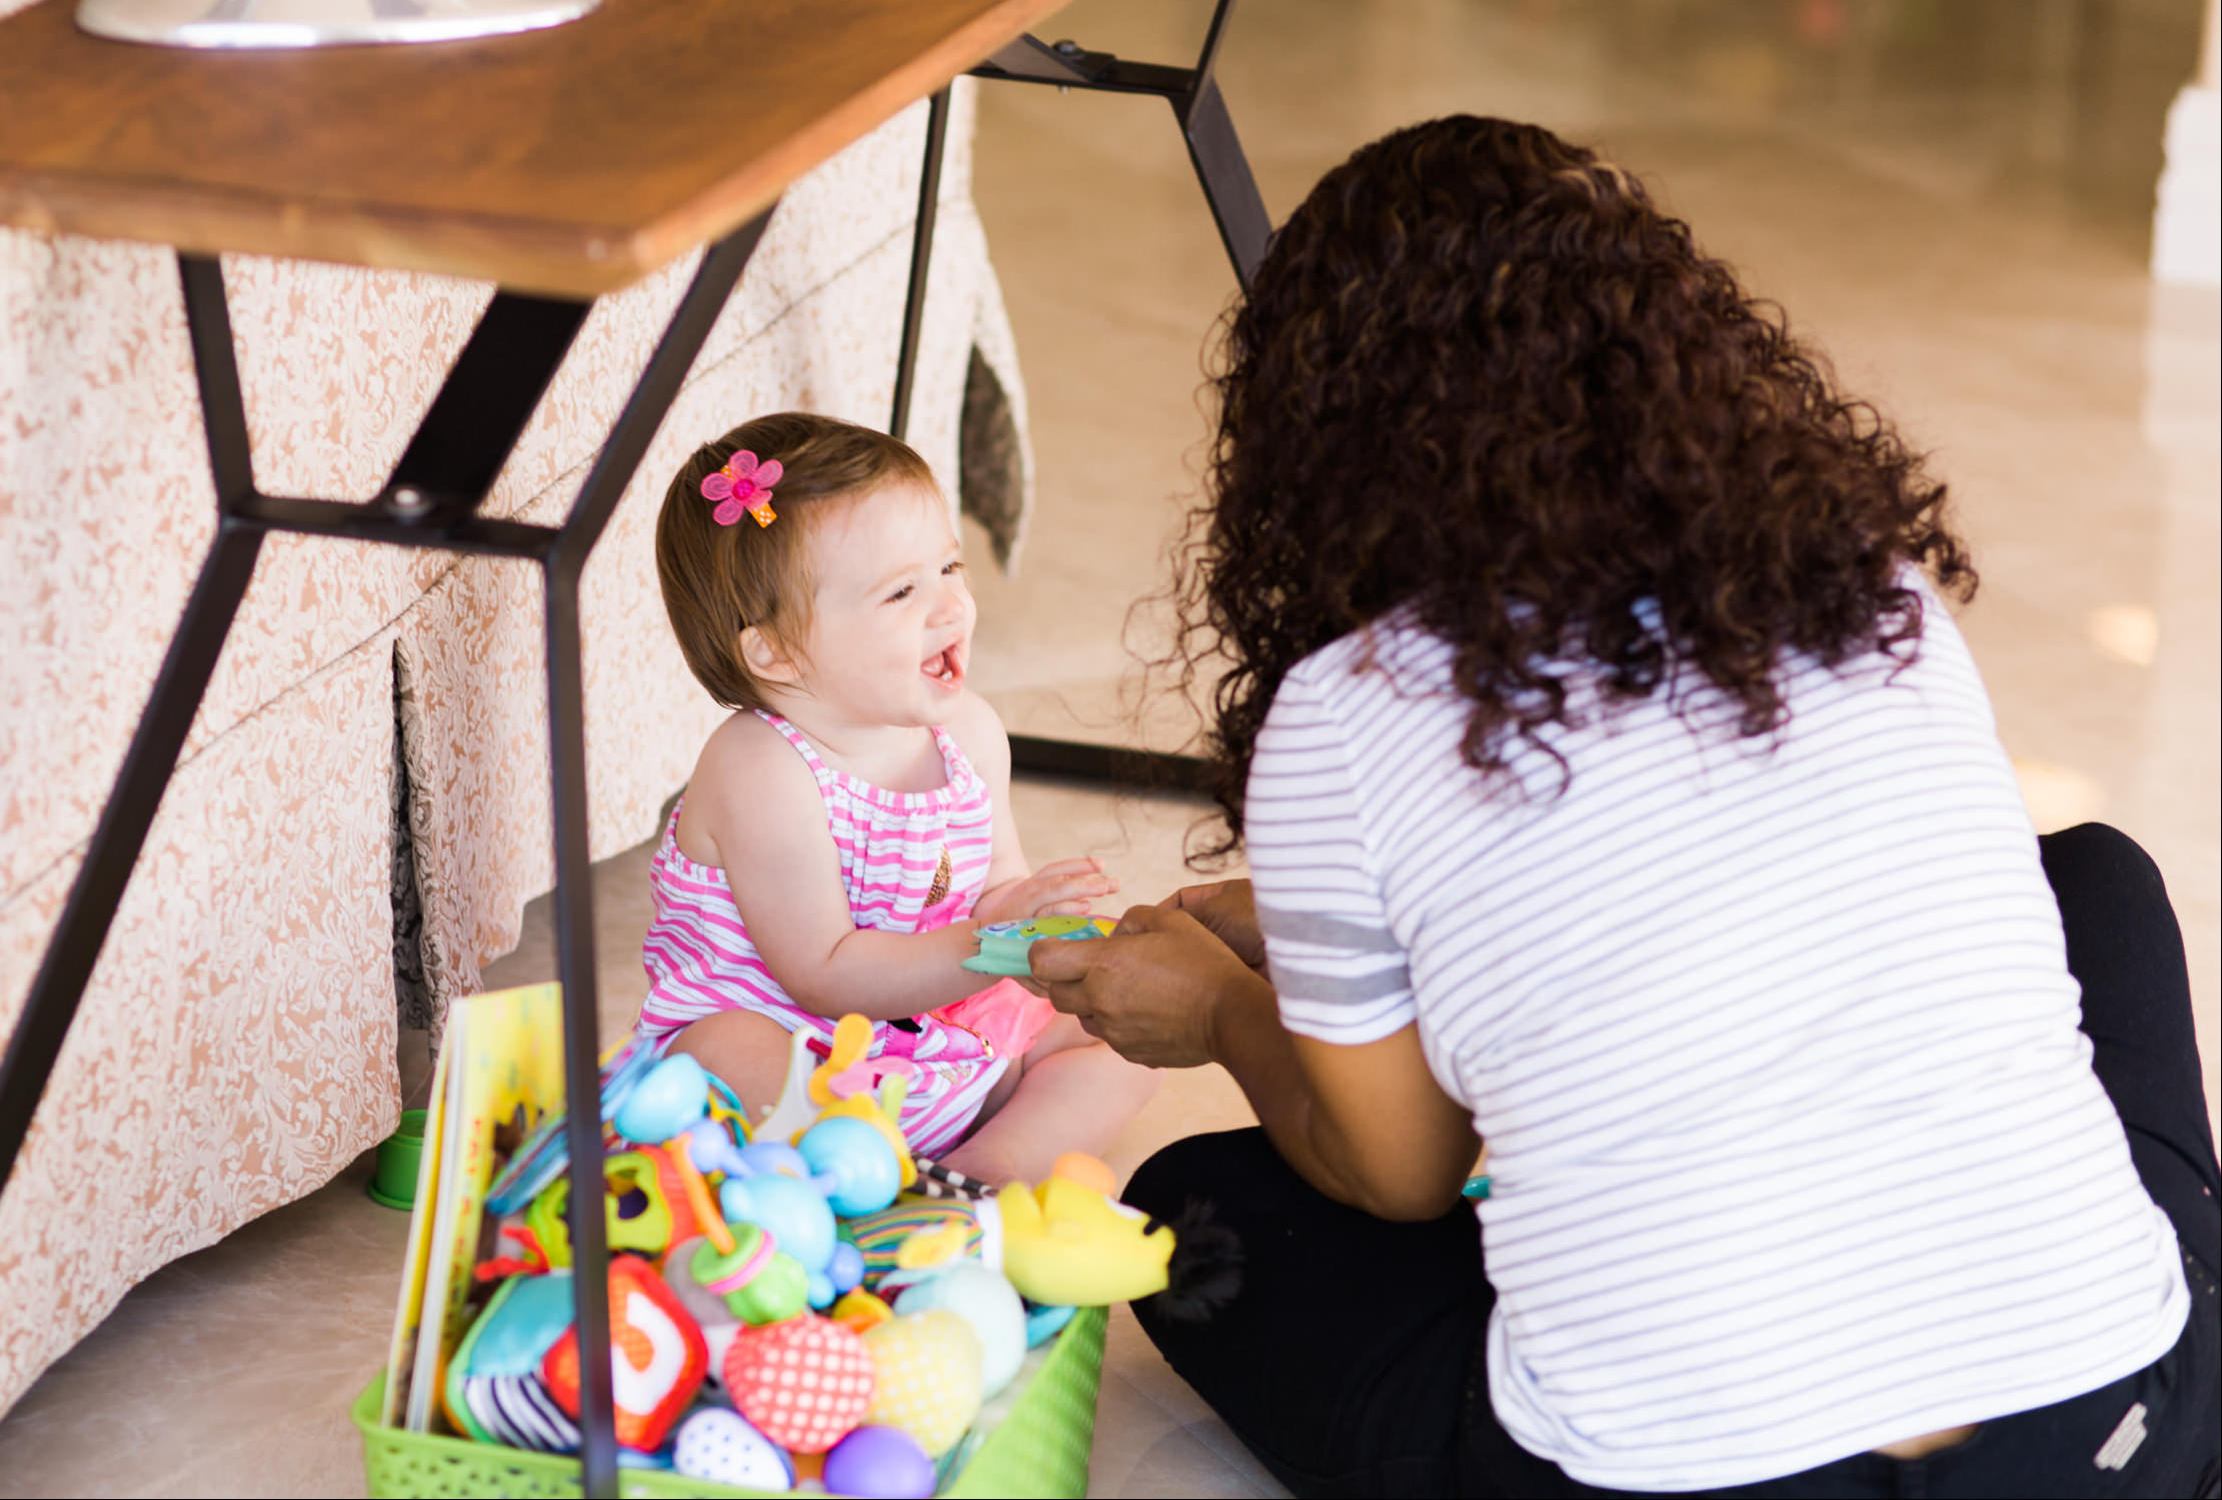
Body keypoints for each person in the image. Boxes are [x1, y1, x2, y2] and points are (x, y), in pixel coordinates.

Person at [1026, 116, 2219, 1498]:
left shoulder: (1348, 710)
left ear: (1317, 443)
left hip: (1684, 1480)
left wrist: (1227, 1012)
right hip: (2114, 1434)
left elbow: (1406, 1168)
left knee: (1194, 1209)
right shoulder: (1865, 584)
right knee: (2093, 876)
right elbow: (1743, 911)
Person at [643, 410, 1155, 1185]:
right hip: (802, 1044)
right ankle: (851, 1170)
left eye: (950, 568)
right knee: (721, 1055)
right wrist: (989, 942)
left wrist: (1043, 926)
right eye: (901, 593)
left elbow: (993, 887)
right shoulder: (760, 768)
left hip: (937, 1034)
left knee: (1132, 1029)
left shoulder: (970, 735)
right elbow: (825, 970)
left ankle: (974, 1173)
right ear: (774, 651)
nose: (949, 607)